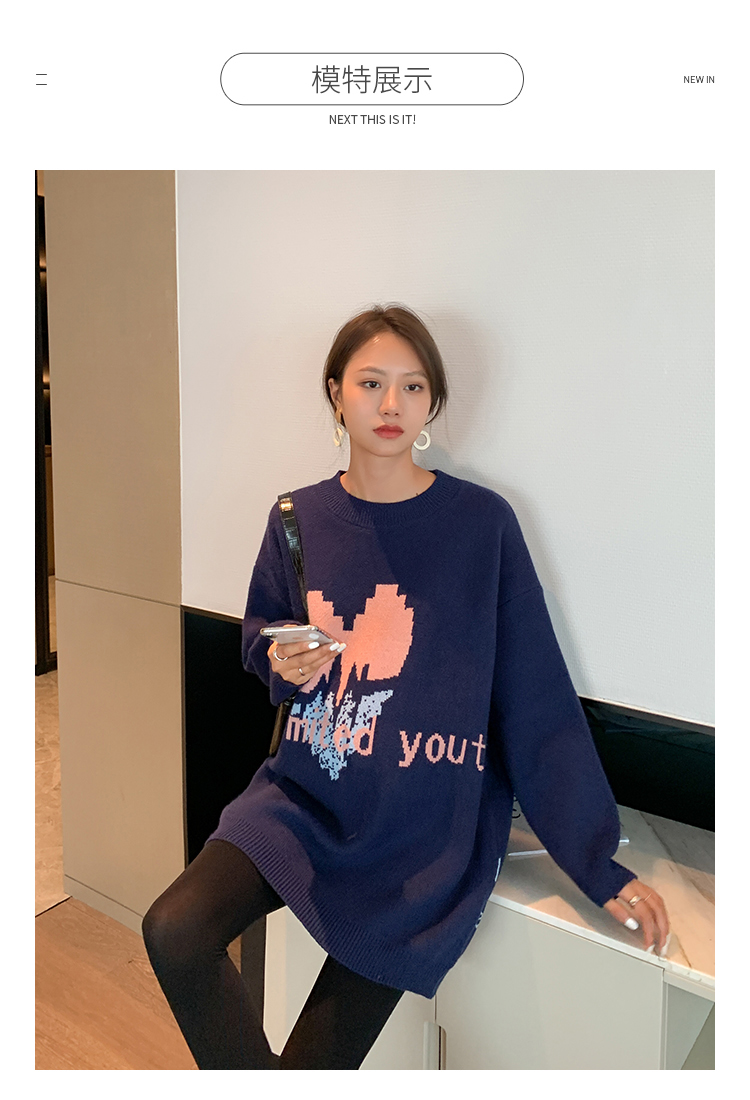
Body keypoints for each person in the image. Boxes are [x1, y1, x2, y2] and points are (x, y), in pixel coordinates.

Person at [142, 303, 670, 1070]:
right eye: (371, 383)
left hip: (420, 830)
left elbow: (537, 700)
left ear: (431, 403)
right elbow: (263, 633)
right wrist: (277, 657)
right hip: (301, 798)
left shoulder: (482, 525)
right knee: (173, 931)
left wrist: (595, 860)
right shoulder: (296, 518)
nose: (391, 404)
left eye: (413, 386)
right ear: (336, 393)